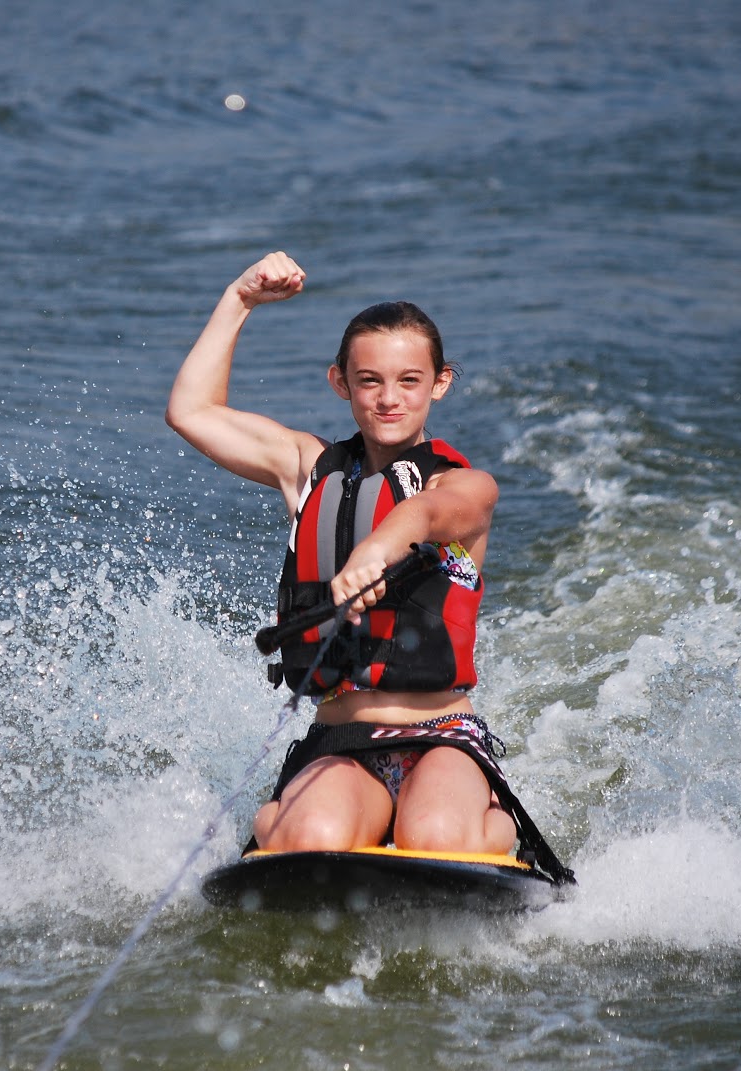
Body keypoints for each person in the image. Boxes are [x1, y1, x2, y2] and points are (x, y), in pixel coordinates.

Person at [166, 251, 520, 857]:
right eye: (369, 381)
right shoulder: (308, 470)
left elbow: (427, 515)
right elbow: (191, 413)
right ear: (341, 383)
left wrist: (376, 551)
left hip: (441, 737)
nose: (389, 399)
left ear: (440, 383)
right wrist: (239, 300)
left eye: (410, 380)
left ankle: (499, 823)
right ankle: (297, 822)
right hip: (341, 741)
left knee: (434, 838)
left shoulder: (465, 486)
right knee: (311, 838)